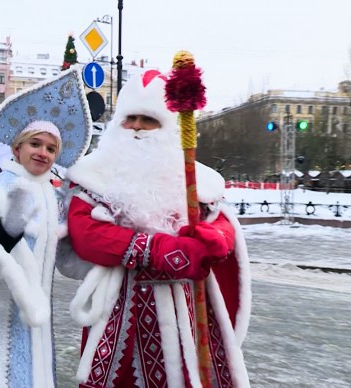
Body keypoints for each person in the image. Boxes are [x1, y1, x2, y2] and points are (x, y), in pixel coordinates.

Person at [58, 70, 252, 387]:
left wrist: (215, 239)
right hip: (118, 306)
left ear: (167, 126)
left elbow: (221, 222)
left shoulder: (195, 177)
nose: (136, 127)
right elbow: (85, 232)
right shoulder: (93, 172)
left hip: (182, 309)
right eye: (129, 118)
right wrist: (159, 250)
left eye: (147, 120)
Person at [0, 66, 93, 387]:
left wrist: (108, 249)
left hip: (36, 328)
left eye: (51, 149)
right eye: (35, 144)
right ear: (16, 148)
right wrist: (5, 231)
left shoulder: (55, 199)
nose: (43, 153)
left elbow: (67, 264)